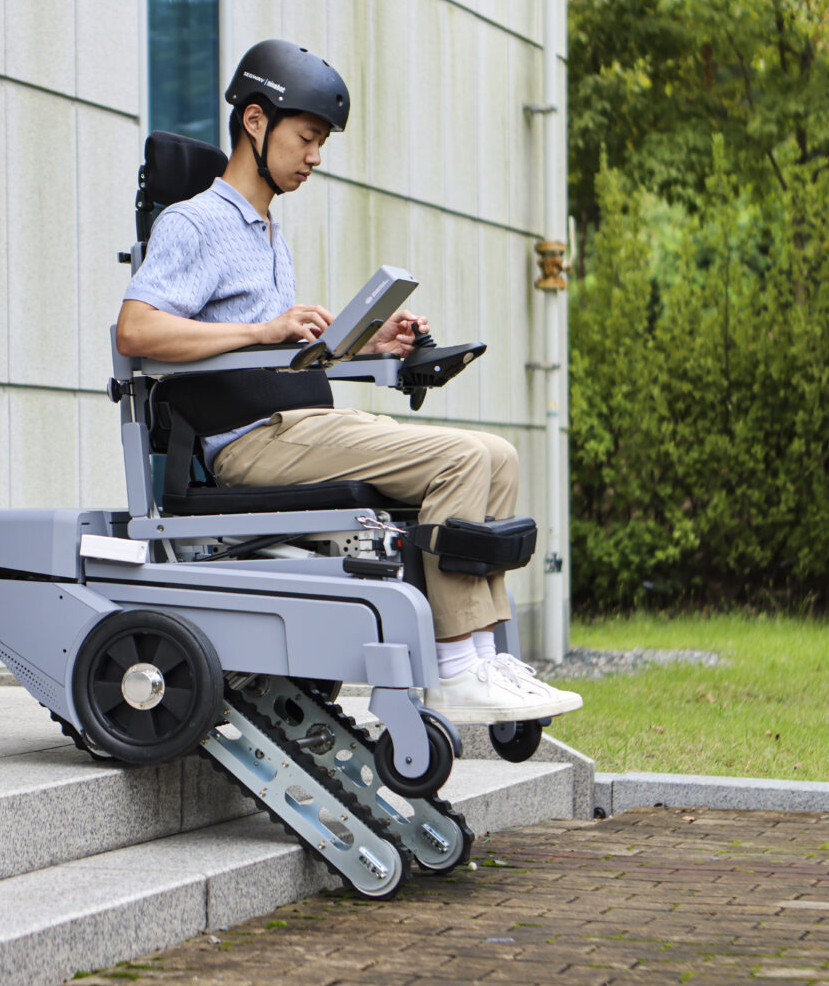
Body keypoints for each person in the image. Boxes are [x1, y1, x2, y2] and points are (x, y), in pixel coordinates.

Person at [117, 40, 580, 724]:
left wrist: (367, 343)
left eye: (320, 143)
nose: (315, 157)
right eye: (306, 138)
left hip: (301, 425)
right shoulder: (195, 222)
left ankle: (486, 654)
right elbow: (136, 331)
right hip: (249, 444)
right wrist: (262, 329)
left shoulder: (268, 232)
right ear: (254, 122)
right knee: (457, 460)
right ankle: (454, 669)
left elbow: (281, 355)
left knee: (496, 455)